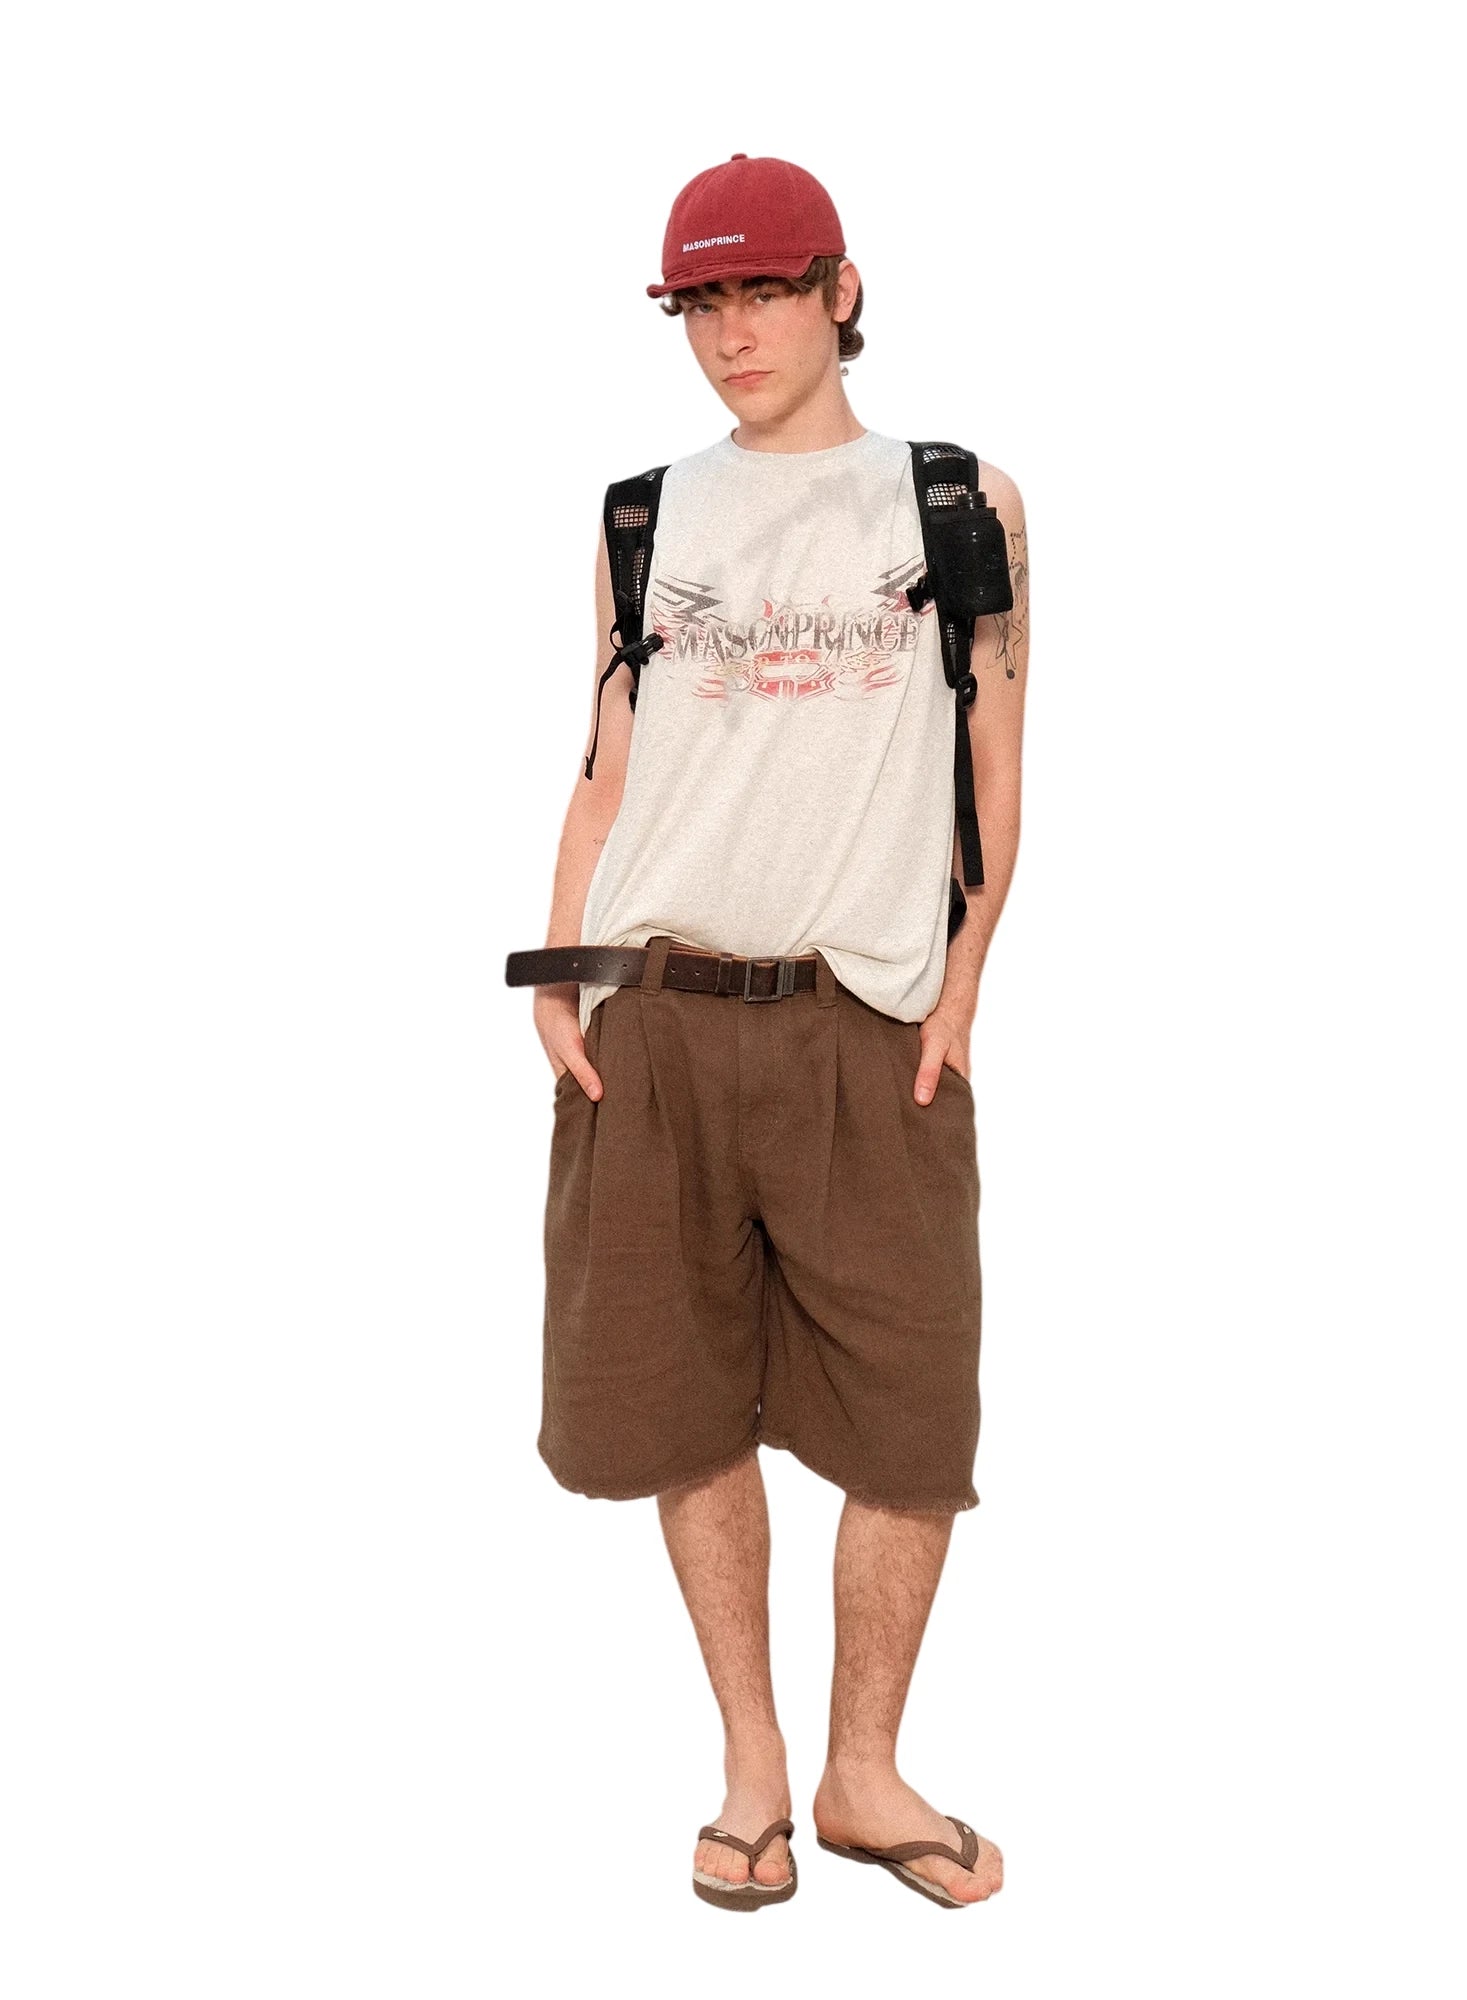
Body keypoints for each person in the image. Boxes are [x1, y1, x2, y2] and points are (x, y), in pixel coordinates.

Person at [522, 153, 1028, 1910]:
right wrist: (563, 976)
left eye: (763, 292)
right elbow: (607, 767)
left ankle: (864, 1771)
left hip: (866, 1021)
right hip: (656, 1015)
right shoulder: (641, 516)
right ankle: (752, 1763)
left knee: (913, 1421)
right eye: (701, 303)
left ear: (839, 292)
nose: (732, 332)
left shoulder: (958, 503)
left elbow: (995, 765)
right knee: (678, 1405)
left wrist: (964, 982)